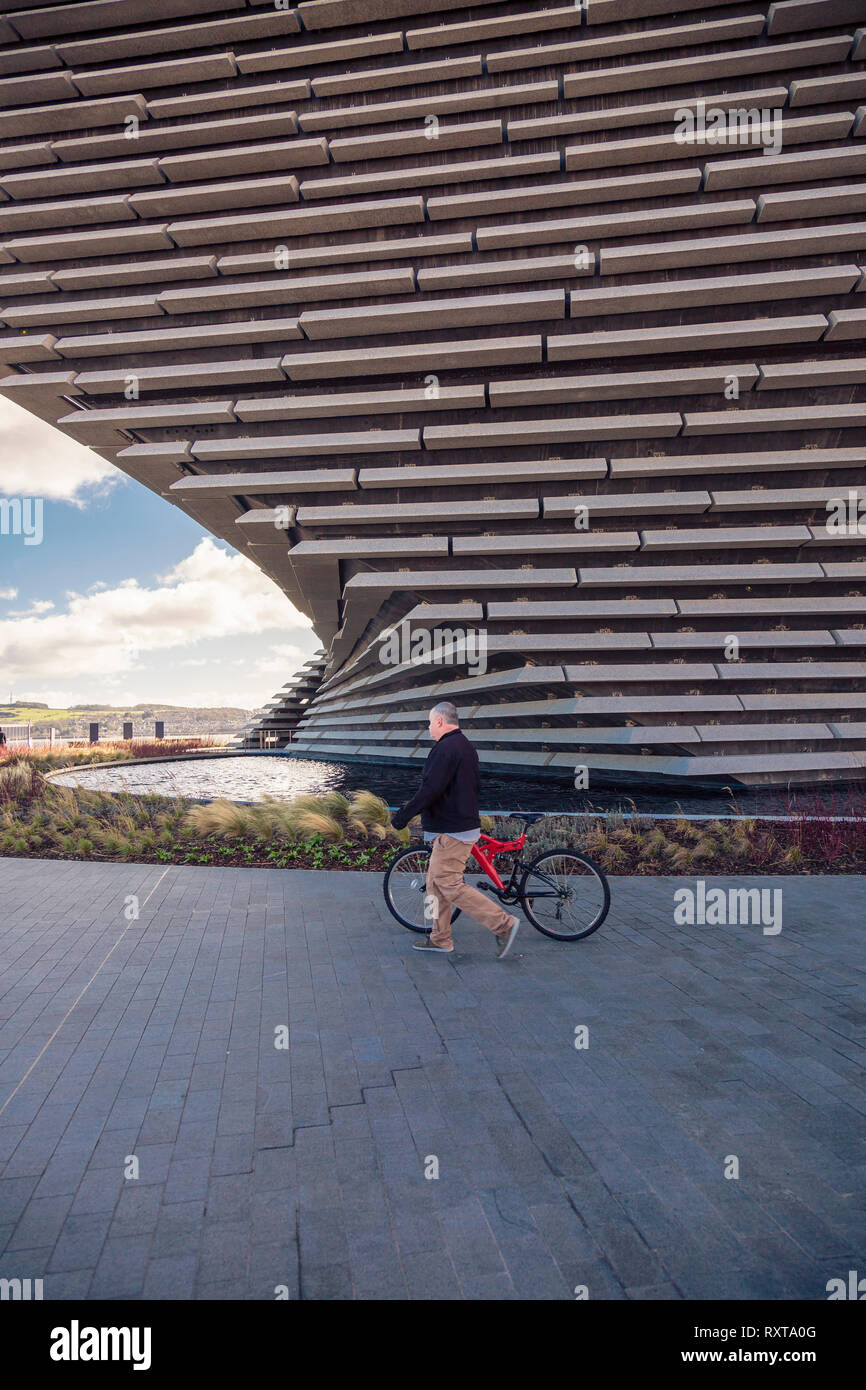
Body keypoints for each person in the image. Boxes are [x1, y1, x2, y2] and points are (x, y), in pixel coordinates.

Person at [390, 701, 520, 958]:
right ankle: (440, 938)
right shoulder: (465, 746)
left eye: (429, 723)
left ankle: (503, 924)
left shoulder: (445, 749)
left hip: (453, 831)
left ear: (440, 721)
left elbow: (430, 790)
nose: (428, 729)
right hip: (459, 826)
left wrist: (402, 816)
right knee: (434, 885)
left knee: (449, 884)